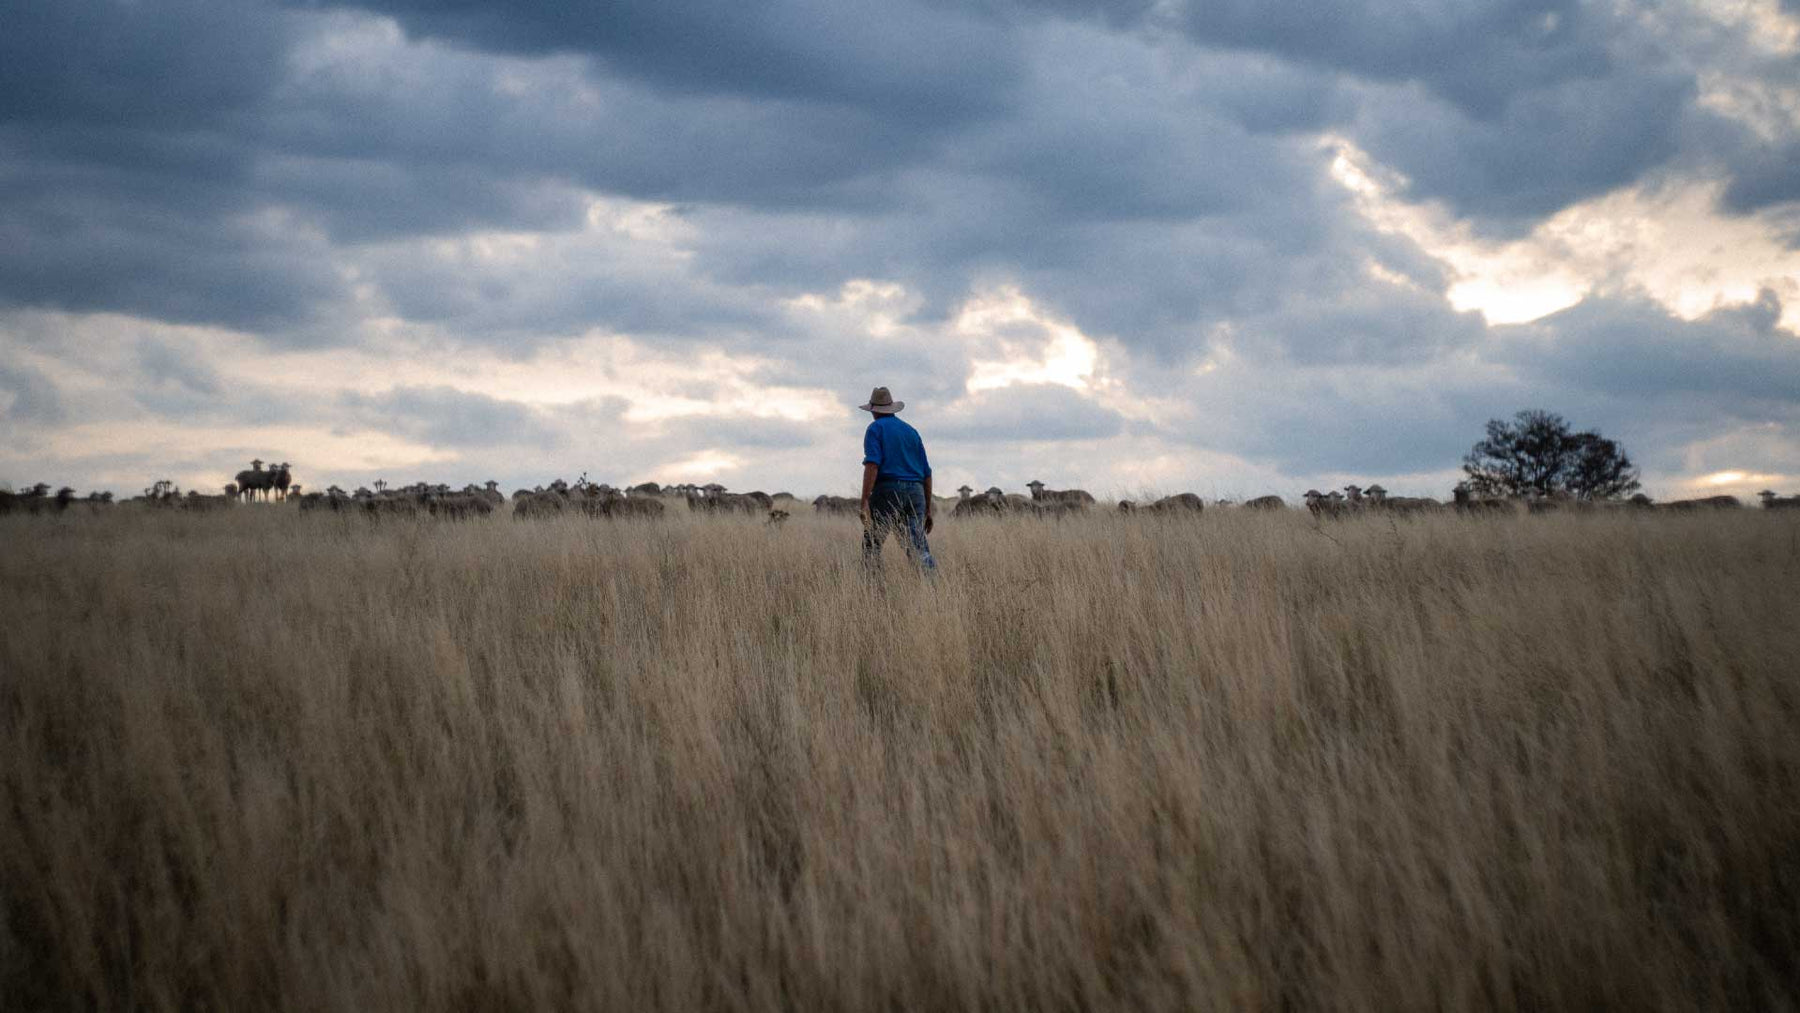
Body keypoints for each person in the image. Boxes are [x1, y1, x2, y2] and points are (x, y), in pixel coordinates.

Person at [857, 386, 936, 575]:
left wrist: (865, 500)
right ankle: (931, 585)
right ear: (891, 407)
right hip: (916, 492)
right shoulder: (911, 431)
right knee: (918, 546)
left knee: (873, 544)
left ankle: (872, 587)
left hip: (888, 490)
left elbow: (872, 465)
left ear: (874, 410)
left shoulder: (875, 428)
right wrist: (928, 509)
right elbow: (926, 472)